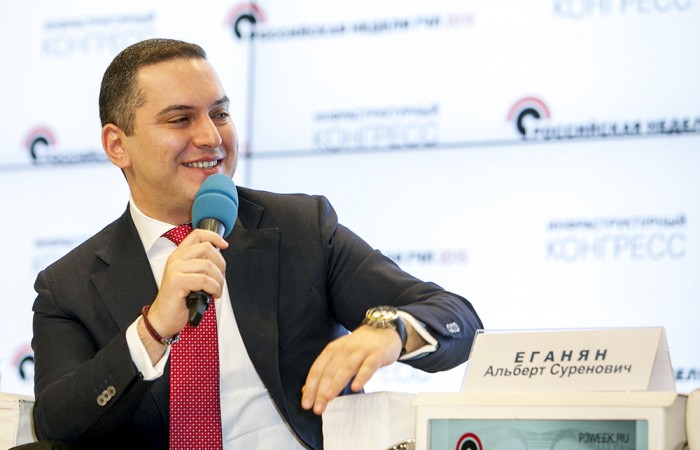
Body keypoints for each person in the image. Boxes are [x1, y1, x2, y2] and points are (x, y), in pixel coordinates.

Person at [30, 38, 483, 450]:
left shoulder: (301, 228)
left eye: (220, 114)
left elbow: (456, 317)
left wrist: (392, 330)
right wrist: (152, 331)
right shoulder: (67, 286)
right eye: (181, 119)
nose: (211, 137)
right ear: (117, 145)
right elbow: (57, 424)